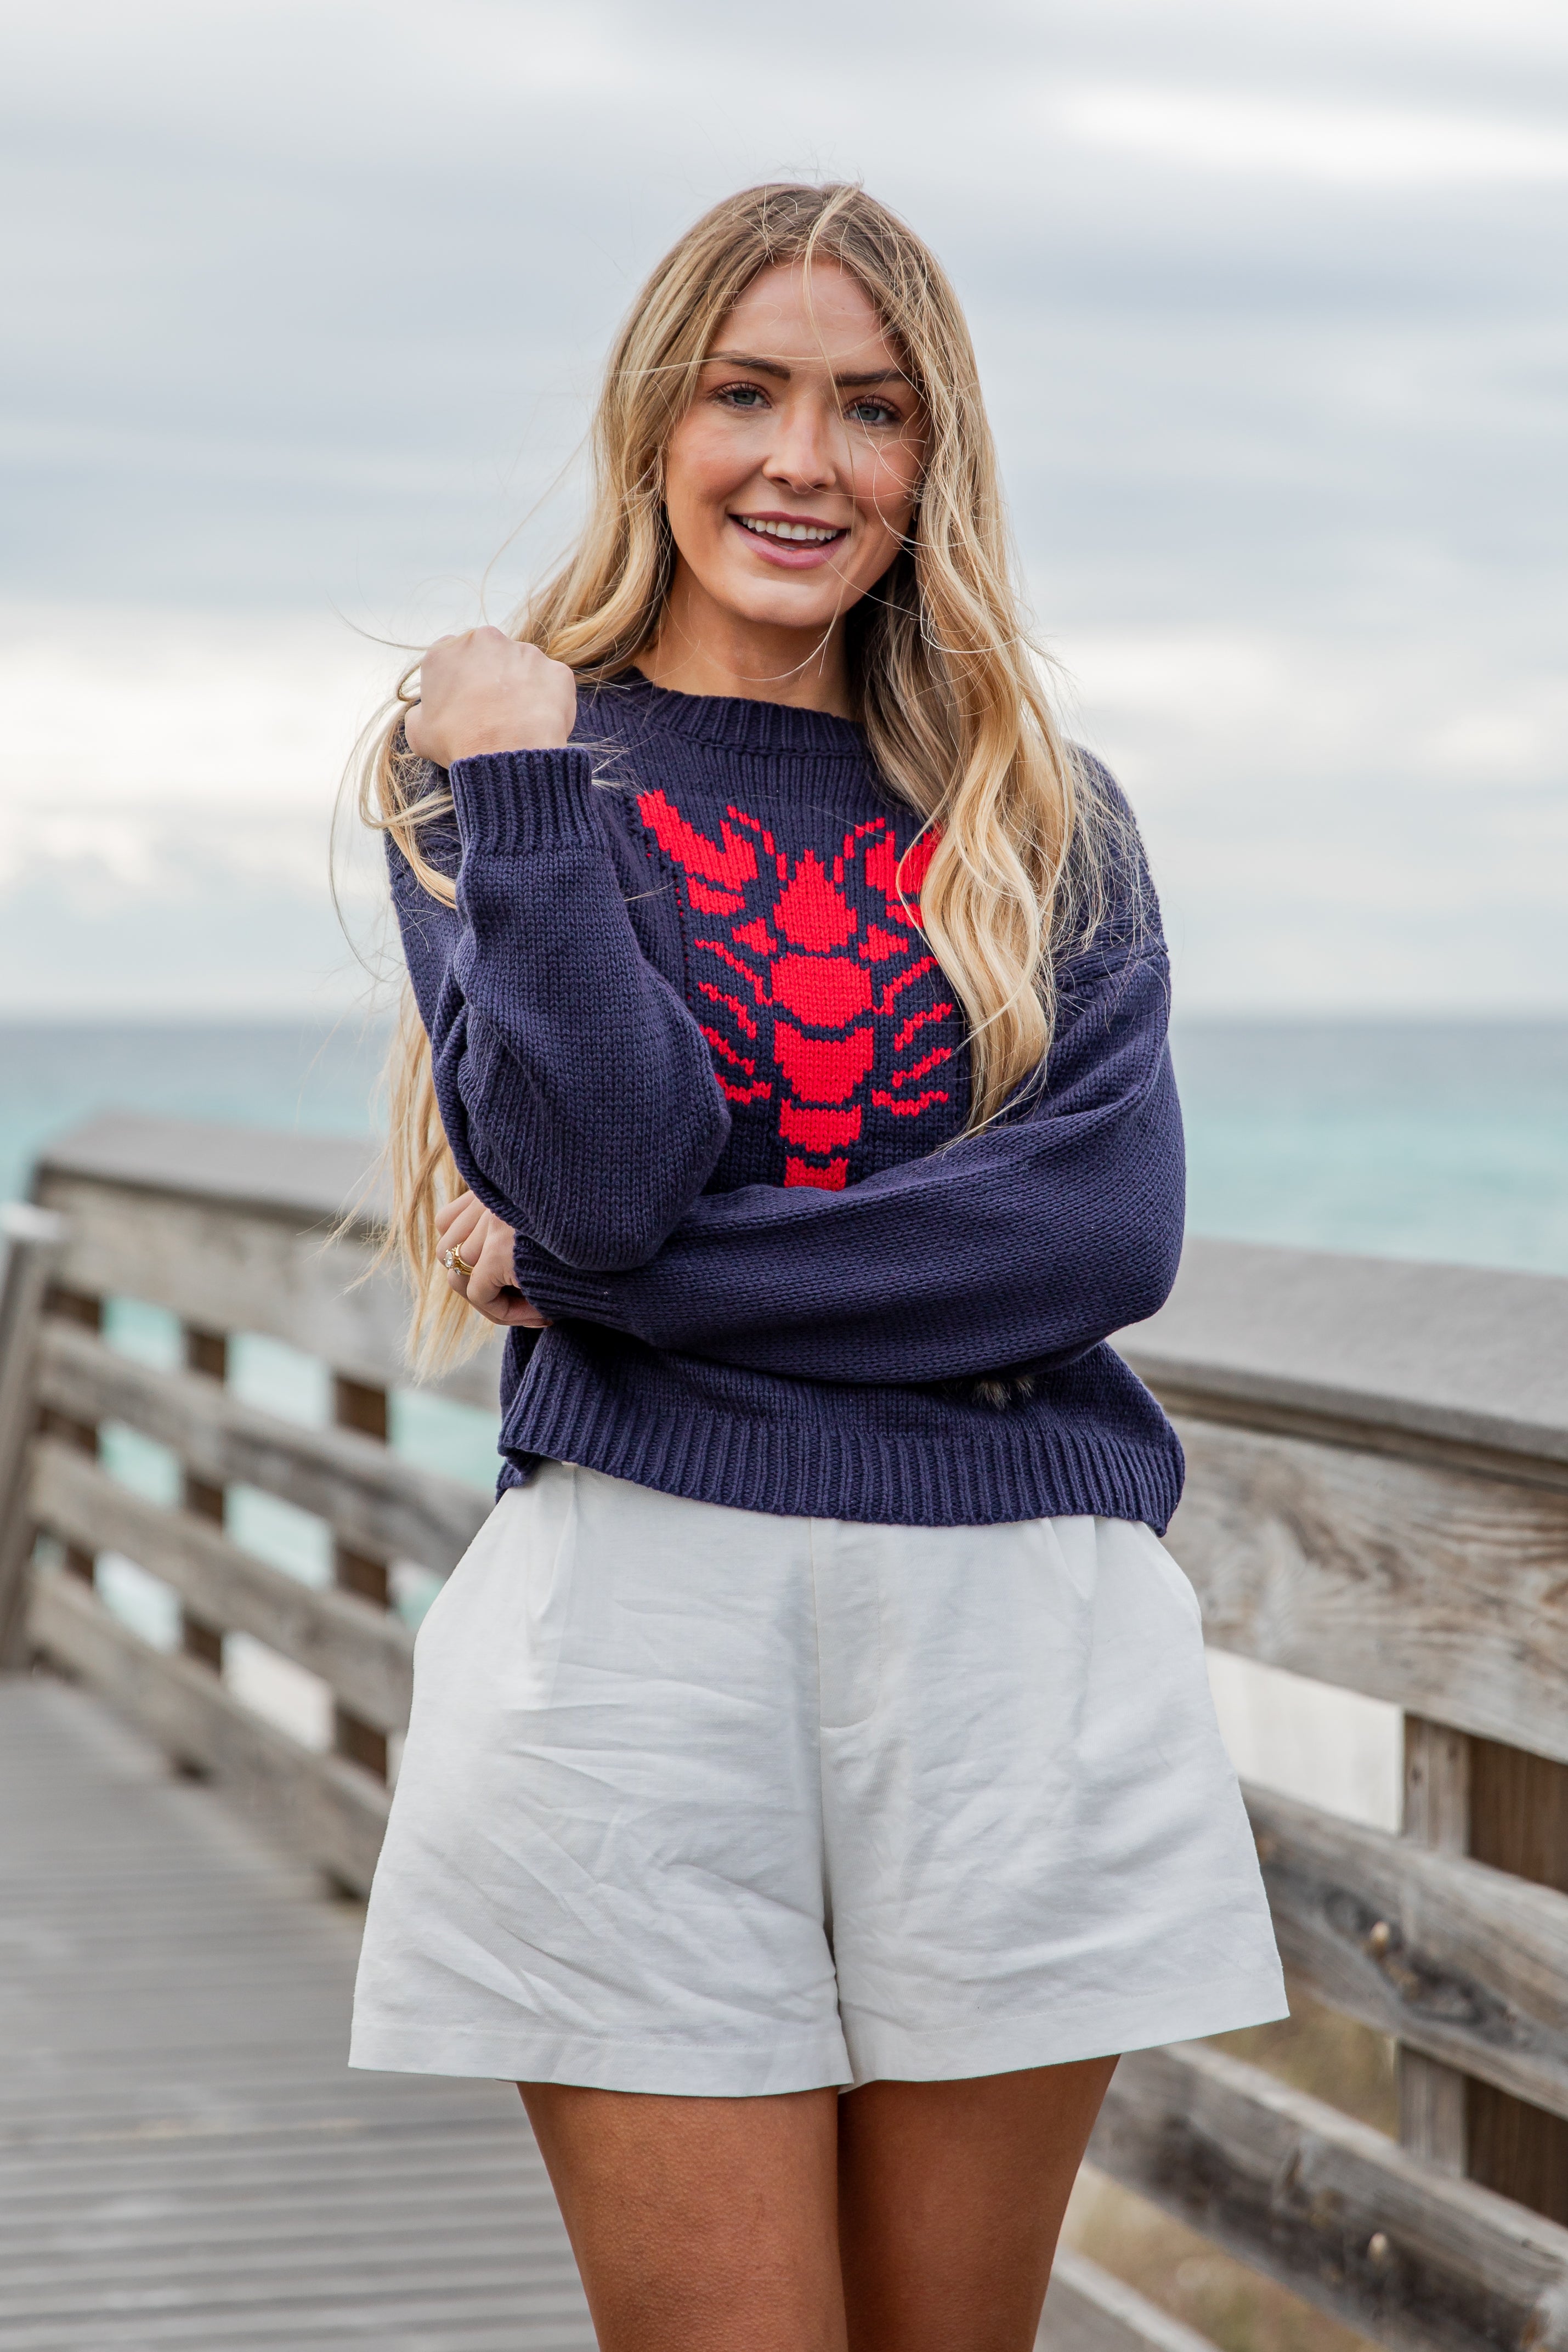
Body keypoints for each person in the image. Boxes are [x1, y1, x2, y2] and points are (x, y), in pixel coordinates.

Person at [348, 180, 1285, 2352]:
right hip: (634, 1654)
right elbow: (599, 1178)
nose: (802, 460)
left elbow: (1087, 1233)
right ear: (651, 418)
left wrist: (627, 1288)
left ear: (929, 460)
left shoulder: (1048, 812)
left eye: (869, 410)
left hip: (1010, 1649)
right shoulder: (489, 780)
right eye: (745, 392)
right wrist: (522, 782)